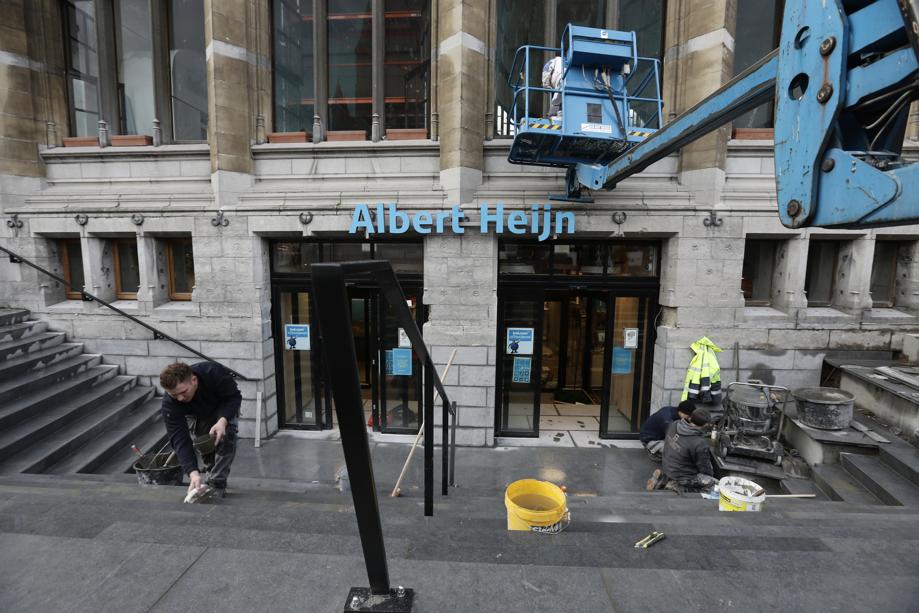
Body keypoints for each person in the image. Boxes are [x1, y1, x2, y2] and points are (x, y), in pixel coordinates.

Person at [160, 361, 241, 503]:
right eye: (174, 395)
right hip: (197, 414)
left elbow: (234, 397)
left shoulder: (213, 372)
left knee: (225, 436)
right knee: (206, 446)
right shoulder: (170, 404)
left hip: (223, 406)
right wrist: (192, 473)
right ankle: (208, 475)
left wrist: (223, 421)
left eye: (183, 392)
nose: (180, 398)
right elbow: (179, 439)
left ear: (194, 380)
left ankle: (217, 483)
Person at [647, 407, 716, 492]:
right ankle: (674, 486)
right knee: (714, 485)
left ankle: (664, 478)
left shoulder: (675, 424)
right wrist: (709, 478)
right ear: (705, 425)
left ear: (690, 418)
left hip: (667, 465)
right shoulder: (699, 443)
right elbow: (705, 468)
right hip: (681, 475)